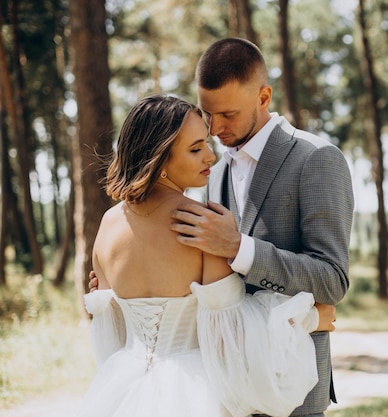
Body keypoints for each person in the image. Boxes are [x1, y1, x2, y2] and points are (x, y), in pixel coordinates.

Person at [76, 94, 337, 417]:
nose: (211, 157)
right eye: (196, 149)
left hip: (123, 387)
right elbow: (232, 337)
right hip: (193, 393)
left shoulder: (109, 224)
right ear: (159, 159)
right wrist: (308, 319)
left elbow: (110, 332)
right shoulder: (201, 227)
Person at [169, 38, 355, 417]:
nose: (215, 129)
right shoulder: (212, 172)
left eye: (229, 114)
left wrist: (241, 249)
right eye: (208, 114)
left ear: (264, 96)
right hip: (227, 383)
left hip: (293, 382)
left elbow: (332, 280)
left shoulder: (317, 159)